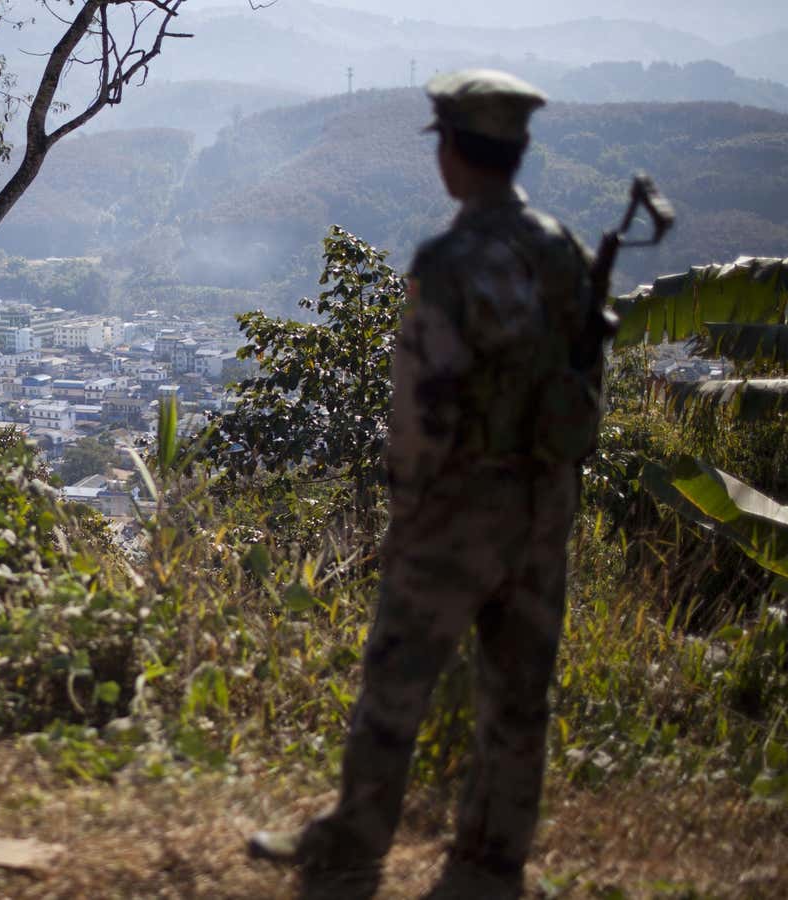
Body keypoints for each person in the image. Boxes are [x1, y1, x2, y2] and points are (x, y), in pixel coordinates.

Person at [247, 70, 598, 899]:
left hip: (454, 509)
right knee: (519, 699)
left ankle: (352, 842)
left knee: (396, 684)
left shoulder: (450, 260)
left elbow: (421, 403)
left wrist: (407, 508)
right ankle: (489, 864)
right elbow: (586, 381)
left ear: (452, 154)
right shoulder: (565, 251)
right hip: (543, 504)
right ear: (516, 153)